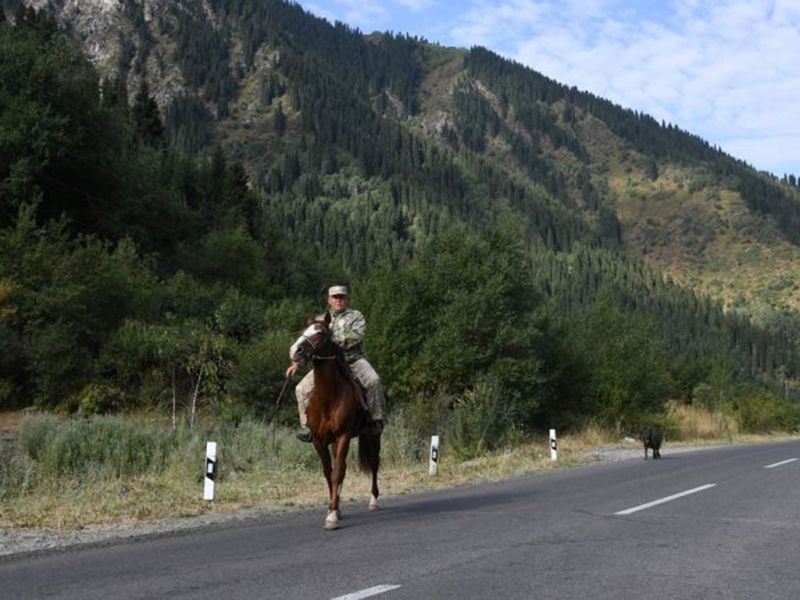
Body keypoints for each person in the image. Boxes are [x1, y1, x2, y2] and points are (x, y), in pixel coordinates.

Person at [287, 285, 385, 442]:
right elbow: (309, 344)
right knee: (301, 389)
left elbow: (357, 336)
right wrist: (296, 364)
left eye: (341, 297)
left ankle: (375, 420)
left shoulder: (356, 316)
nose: (338, 300)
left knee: (374, 381)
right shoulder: (319, 320)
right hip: (328, 364)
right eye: (335, 297)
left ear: (347, 299)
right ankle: (306, 427)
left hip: (353, 359)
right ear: (329, 300)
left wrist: (331, 342)